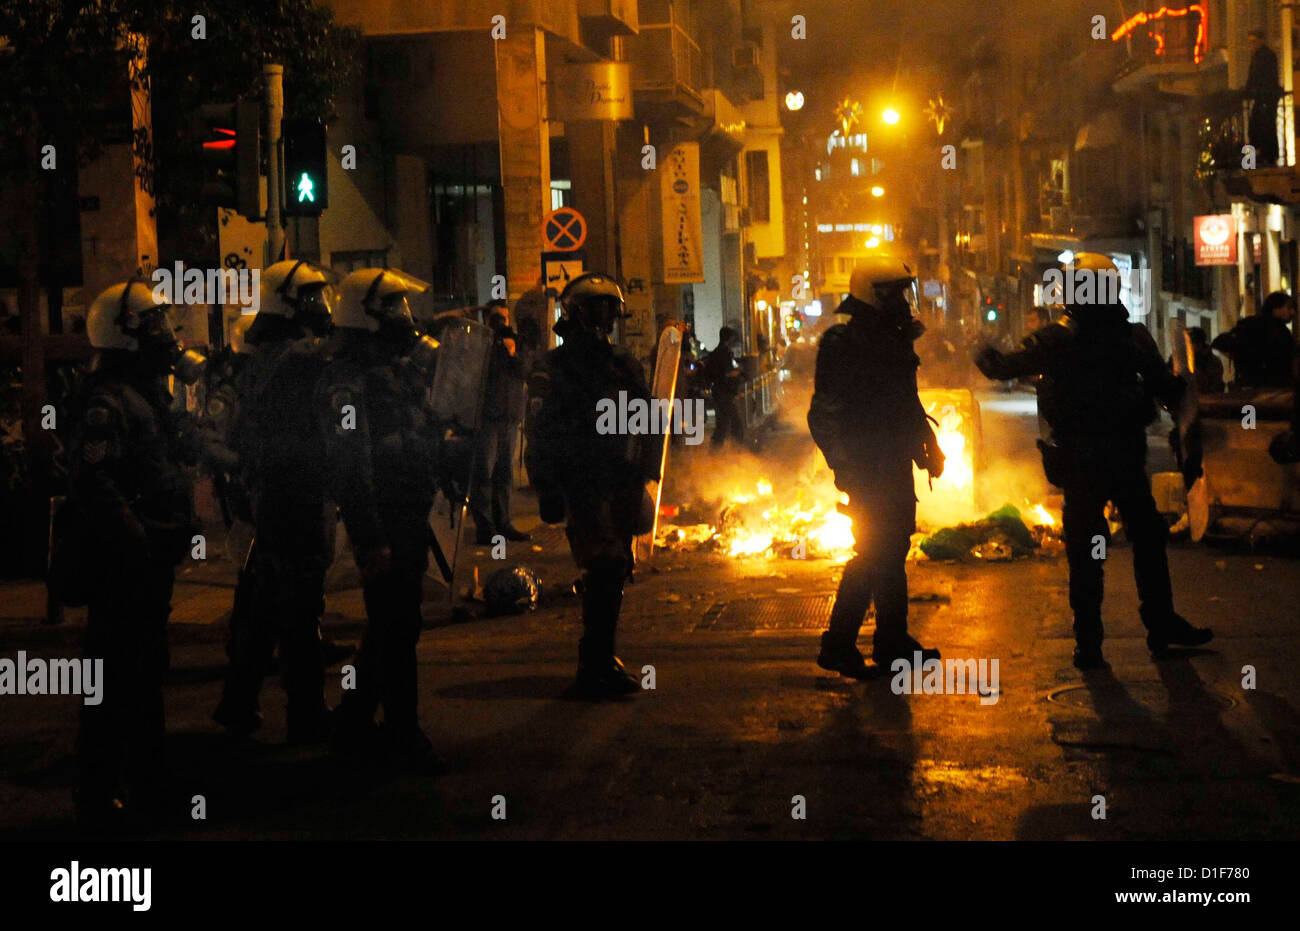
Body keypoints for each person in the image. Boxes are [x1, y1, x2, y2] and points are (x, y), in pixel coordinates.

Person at [975, 253, 1212, 669]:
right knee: (1140, 540)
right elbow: (1166, 389)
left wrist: (983, 352)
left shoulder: (1061, 339)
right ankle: (1152, 626)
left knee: (1093, 549)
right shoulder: (1127, 337)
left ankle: (1094, 641)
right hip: (1114, 458)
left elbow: (1002, 367)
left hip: (1091, 459)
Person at [67, 279, 206, 830]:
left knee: (145, 676)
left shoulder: (145, 390)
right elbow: (94, 483)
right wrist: (138, 544)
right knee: (113, 681)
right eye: (152, 325)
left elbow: (173, 451)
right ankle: (95, 796)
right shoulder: (106, 402)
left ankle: (150, 783)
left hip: (146, 567)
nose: (165, 335)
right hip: (122, 570)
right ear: (122, 333)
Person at [318, 267, 442, 770]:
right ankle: (401, 733)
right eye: (393, 307)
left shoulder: (394, 367)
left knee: (392, 624)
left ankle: (353, 718)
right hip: (383, 519)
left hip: (408, 513)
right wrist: (370, 539)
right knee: (396, 625)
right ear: (365, 314)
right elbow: (350, 461)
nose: (404, 317)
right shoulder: (348, 380)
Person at [214, 260, 339, 744]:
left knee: (260, 605)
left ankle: (237, 704)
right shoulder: (291, 359)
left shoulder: (269, 357)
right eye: (309, 297)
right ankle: (306, 714)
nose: (319, 307)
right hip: (292, 496)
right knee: (300, 608)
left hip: (273, 495)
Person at [809, 257, 946, 678]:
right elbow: (824, 415)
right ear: (875, 294)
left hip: (892, 465)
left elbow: (907, 402)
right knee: (873, 552)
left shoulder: (892, 341)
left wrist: (928, 444)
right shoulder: (844, 344)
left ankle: (892, 643)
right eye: (896, 292)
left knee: (890, 552)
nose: (904, 301)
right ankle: (839, 643)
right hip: (868, 468)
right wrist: (846, 469)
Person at [526, 272, 659, 699]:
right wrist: (546, 487)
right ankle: (594, 664)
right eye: (596, 308)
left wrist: (649, 474)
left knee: (617, 568)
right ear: (575, 313)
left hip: (622, 480)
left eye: (610, 308)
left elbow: (647, 420)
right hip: (583, 481)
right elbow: (540, 431)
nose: (605, 317)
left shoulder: (624, 363)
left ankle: (601, 658)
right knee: (604, 564)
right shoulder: (553, 367)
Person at [470, 299, 531, 545]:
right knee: (484, 472)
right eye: (496, 318)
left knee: (504, 474)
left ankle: (503, 523)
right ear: (487, 320)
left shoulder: (515, 342)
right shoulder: (481, 343)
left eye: (504, 318)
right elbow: (479, 372)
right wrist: (497, 348)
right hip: (487, 417)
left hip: (510, 417)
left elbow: (525, 370)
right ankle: (485, 528)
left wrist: (512, 351)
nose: (501, 323)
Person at [1211, 290, 1296, 388]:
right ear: (1275, 308)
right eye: (1289, 308)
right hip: (1270, 387)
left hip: (1252, 385)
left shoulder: (1251, 323)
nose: (1292, 312)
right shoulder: (1277, 331)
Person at [703, 325, 744, 450]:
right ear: (729, 338)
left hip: (719, 392)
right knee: (734, 424)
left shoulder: (715, 352)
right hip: (724, 393)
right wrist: (736, 373)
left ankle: (716, 450)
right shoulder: (724, 353)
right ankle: (736, 449)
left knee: (723, 423)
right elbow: (725, 373)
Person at [1246, 29, 1281, 167]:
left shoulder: (1266, 56)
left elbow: (1259, 77)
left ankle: (1256, 160)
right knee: (1259, 127)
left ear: (1261, 40)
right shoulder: (1258, 56)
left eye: (1254, 42)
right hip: (1264, 97)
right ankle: (1255, 160)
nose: (1252, 45)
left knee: (1263, 127)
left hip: (1266, 97)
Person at [1186, 326, 1225, 395]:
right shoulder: (1184, 359)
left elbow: (1214, 387)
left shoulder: (1213, 362)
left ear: (1199, 344)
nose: (1186, 347)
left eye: (1189, 344)